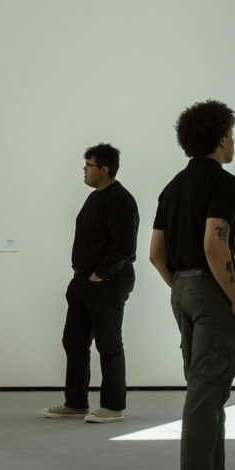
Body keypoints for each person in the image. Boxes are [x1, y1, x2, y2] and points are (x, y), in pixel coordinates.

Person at [148, 101, 235, 470]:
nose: (232, 143)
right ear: (222, 137)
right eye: (231, 134)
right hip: (211, 291)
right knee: (209, 387)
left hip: (182, 291)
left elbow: (156, 253)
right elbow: (214, 243)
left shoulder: (172, 187)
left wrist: (181, 286)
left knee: (206, 384)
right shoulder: (225, 183)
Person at [46, 143, 139, 424]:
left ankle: (113, 407)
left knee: (108, 344)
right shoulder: (95, 197)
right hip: (83, 282)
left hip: (108, 283)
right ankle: (75, 403)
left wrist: (100, 275)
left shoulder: (121, 200)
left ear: (104, 169)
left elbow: (125, 248)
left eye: (88, 165)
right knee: (73, 341)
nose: (84, 170)